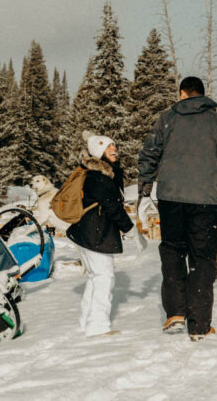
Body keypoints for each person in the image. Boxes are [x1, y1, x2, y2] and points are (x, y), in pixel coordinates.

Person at [137, 76, 217, 341]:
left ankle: (175, 313)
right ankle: (199, 324)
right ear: (202, 95)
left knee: (173, 251)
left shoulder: (166, 119)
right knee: (202, 258)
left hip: (171, 197)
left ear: (182, 94)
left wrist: (144, 191)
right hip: (205, 199)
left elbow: (149, 154)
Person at [66, 131, 135, 338]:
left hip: (87, 232)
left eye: (115, 146)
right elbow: (113, 207)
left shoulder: (98, 174)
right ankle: (97, 326)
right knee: (104, 277)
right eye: (108, 147)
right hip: (95, 234)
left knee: (96, 277)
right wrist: (131, 229)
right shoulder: (99, 177)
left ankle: (86, 321)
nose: (114, 149)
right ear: (99, 152)